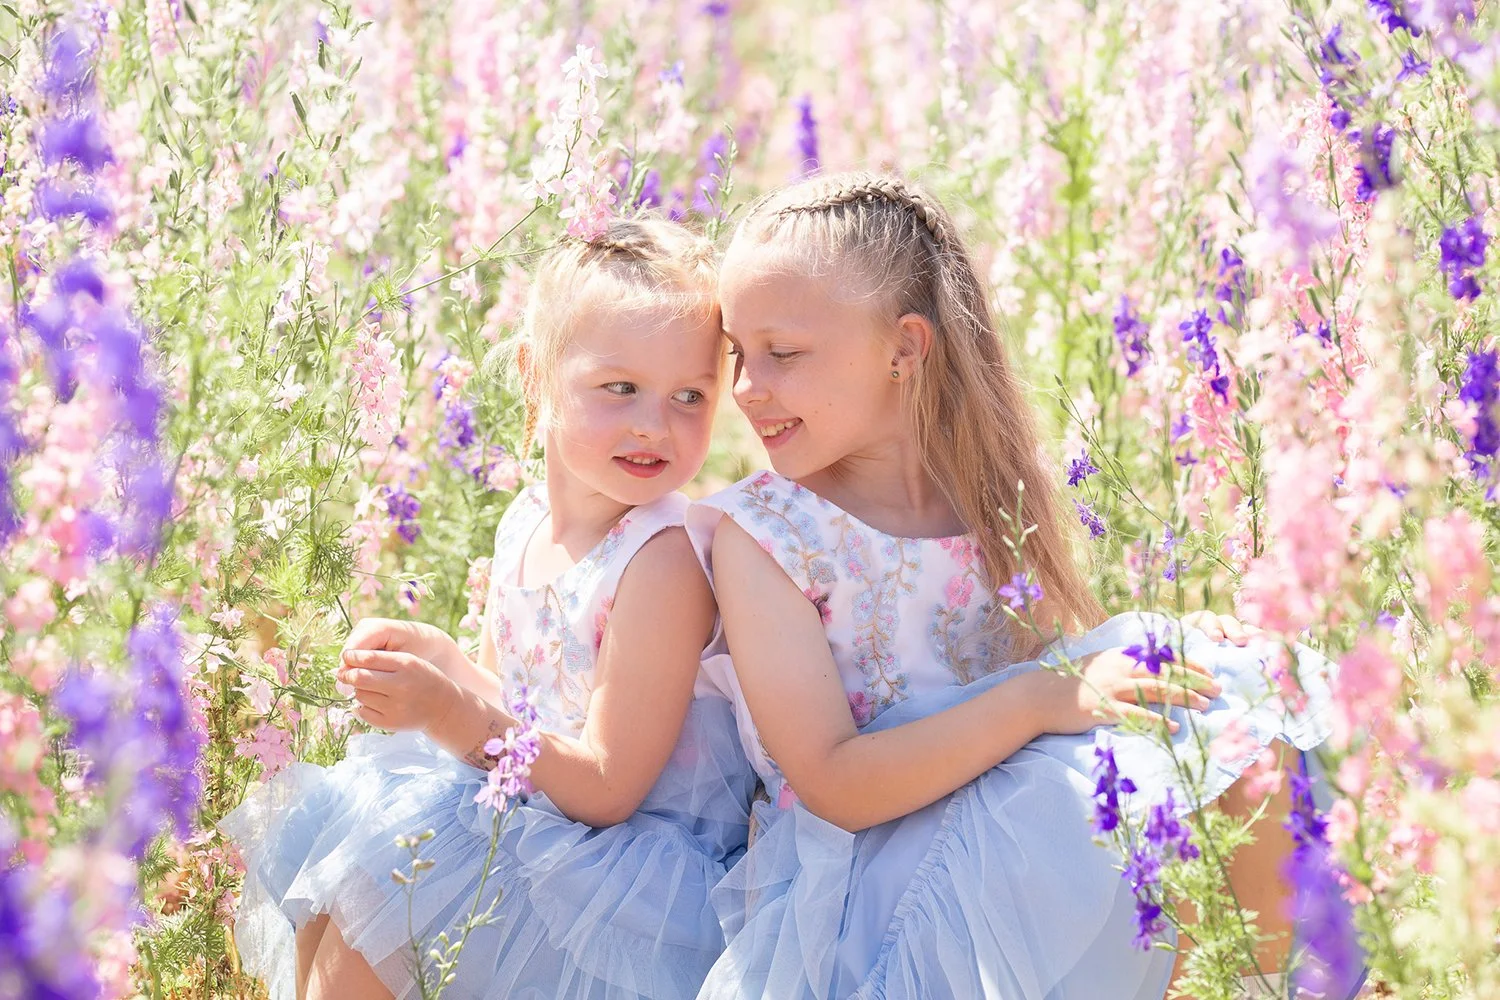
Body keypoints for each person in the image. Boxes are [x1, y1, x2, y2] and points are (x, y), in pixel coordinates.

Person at [687, 171, 1354, 1000]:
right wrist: (1044, 698)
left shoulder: (984, 492)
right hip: (870, 893)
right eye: (737, 355)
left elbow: (1045, 667)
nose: (747, 388)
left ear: (904, 348)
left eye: (781, 354)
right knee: (1085, 753)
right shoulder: (767, 537)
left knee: (1236, 687)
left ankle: (1266, 986)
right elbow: (834, 784)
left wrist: (1171, 650)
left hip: (1000, 826)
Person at [221, 217, 754, 1000]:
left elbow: (607, 786)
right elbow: (528, 707)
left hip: (617, 877)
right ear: (535, 377)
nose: (654, 423)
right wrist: (445, 662)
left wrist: (447, 710)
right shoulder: (527, 521)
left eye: (689, 396)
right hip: (542, 820)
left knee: (378, 893)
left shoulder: (663, 560)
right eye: (621, 388)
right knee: (346, 884)